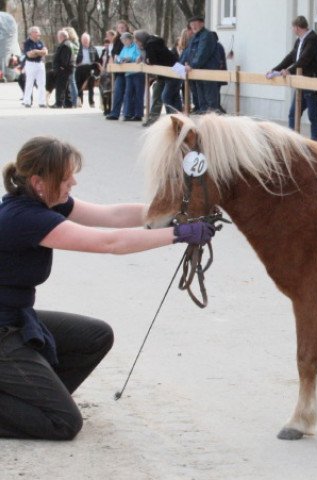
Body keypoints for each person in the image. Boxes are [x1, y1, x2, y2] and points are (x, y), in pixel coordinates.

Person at [0, 136, 215, 440]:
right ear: (39, 182)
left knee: (96, 336)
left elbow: (111, 216)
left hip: (15, 318)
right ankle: (37, 404)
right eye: (66, 177)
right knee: (64, 423)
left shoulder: (43, 201)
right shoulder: (26, 218)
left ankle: (31, 397)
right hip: (3, 330)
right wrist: (179, 234)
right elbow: (110, 243)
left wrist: (177, 209)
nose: (73, 181)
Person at [268, 15, 317, 141]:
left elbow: (305, 59)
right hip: (299, 83)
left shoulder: (312, 39)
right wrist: (275, 69)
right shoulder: (299, 40)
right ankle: (293, 140)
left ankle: (316, 141)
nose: (292, 30)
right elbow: (291, 57)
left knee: (313, 114)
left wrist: (289, 71)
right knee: (293, 114)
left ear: (297, 27)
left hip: (309, 81)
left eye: (293, 28)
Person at [134, 30, 180, 126]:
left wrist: (146, 60)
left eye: (137, 41)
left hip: (174, 70)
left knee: (167, 96)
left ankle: (173, 120)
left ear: (141, 40)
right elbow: (149, 58)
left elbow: (152, 60)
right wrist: (143, 58)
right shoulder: (147, 45)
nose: (136, 43)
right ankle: (153, 119)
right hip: (163, 73)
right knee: (157, 93)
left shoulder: (151, 44)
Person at [181, 16, 219, 114]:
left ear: (202, 24)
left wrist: (192, 65)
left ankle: (213, 126)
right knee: (202, 103)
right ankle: (204, 125)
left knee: (211, 103)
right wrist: (178, 65)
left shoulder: (207, 35)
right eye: (191, 24)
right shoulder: (194, 37)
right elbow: (187, 53)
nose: (193, 26)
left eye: (195, 23)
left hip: (207, 73)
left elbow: (202, 53)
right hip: (197, 74)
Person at [109, 32, 143, 121]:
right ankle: (127, 114)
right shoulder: (124, 47)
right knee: (128, 93)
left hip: (137, 72)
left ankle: (138, 114)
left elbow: (138, 57)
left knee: (138, 93)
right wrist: (118, 60)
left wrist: (130, 58)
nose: (124, 42)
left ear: (130, 39)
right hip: (128, 73)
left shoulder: (135, 46)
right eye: (123, 41)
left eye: (125, 40)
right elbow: (121, 56)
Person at [108, 20, 131, 120]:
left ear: (126, 28)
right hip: (119, 69)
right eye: (119, 28)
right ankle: (115, 113)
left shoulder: (130, 38)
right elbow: (113, 53)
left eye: (123, 28)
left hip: (129, 69)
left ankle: (127, 113)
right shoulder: (116, 40)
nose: (121, 29)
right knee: (117, 91)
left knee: (128, 93)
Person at [22, 26, 48, 108]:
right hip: (30, 64)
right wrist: (40, 52)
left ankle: (42, 102)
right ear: (32, 33)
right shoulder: (27, 43)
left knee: (42, 83)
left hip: (40, 64)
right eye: (37, 32)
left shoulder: (40, 42)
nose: (39, 34)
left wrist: (36, 51)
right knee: (29, 83)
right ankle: (27, 101)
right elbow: (29, 54)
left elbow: (45, 52)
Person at [75, 32, 100, 108]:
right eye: (83, 40)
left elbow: (97, 61)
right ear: (81, 41)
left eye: (86, 40)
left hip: (90, 68)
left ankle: (91, 102)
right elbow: (75, 59)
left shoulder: (93, 49)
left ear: (89, 40)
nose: (85, 42)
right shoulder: (78, 49)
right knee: (79, 85)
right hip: (80, 68)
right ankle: (80, 101)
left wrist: (96, 71)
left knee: (91, 86)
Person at [51, 30, 73, 109]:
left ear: (62, 37)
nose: (58, 38)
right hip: (64, 70)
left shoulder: (65, 45)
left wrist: (61, 67)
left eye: (58, 37)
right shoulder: (66, 44)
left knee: (60, 87)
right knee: (66, 87)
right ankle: (68, 103)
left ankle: (59, 103)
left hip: (63, 70)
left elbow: (65, 59)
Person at [64, 27, 80, 108]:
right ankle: (67, 101)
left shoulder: (74, 42)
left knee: (72, 82)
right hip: (68, 63)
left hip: (72, 64)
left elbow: (75, 51)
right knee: (68, 83)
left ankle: (74, 101)